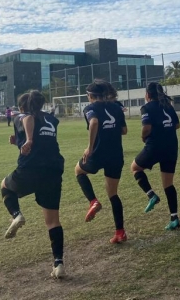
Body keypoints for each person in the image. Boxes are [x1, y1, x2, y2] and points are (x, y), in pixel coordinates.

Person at [0, 90, 66, 279]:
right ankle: (59, 264)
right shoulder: (51, 120)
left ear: (22, 107)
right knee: (53, 220)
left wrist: (27, 139)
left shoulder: (23, 116)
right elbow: (42, 142)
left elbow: (28, 119)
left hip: (30, 170)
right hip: (53, 171)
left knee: (4, 186)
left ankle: (17, 215)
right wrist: (19, 142)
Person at [75, 80, 128, 244]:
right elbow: (124, 131)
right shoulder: (116, 107)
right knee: (113, 194)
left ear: (90, 96)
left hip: (98, 154)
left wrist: (89, 147)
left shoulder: (90, 108)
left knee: (78, 171)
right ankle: (120, 232)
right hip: (116, 155)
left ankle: (93, 201)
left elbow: (94, 122)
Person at [131, 82, 180, 231]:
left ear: (147, 95)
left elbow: (146, 127)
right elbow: (177, 125)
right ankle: (174, 218)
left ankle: (151, 194)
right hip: (171, 146)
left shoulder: (146, 107)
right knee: (168, 184)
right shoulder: (168, 106)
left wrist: (143, 137)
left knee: (135, 167)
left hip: (155, 146)